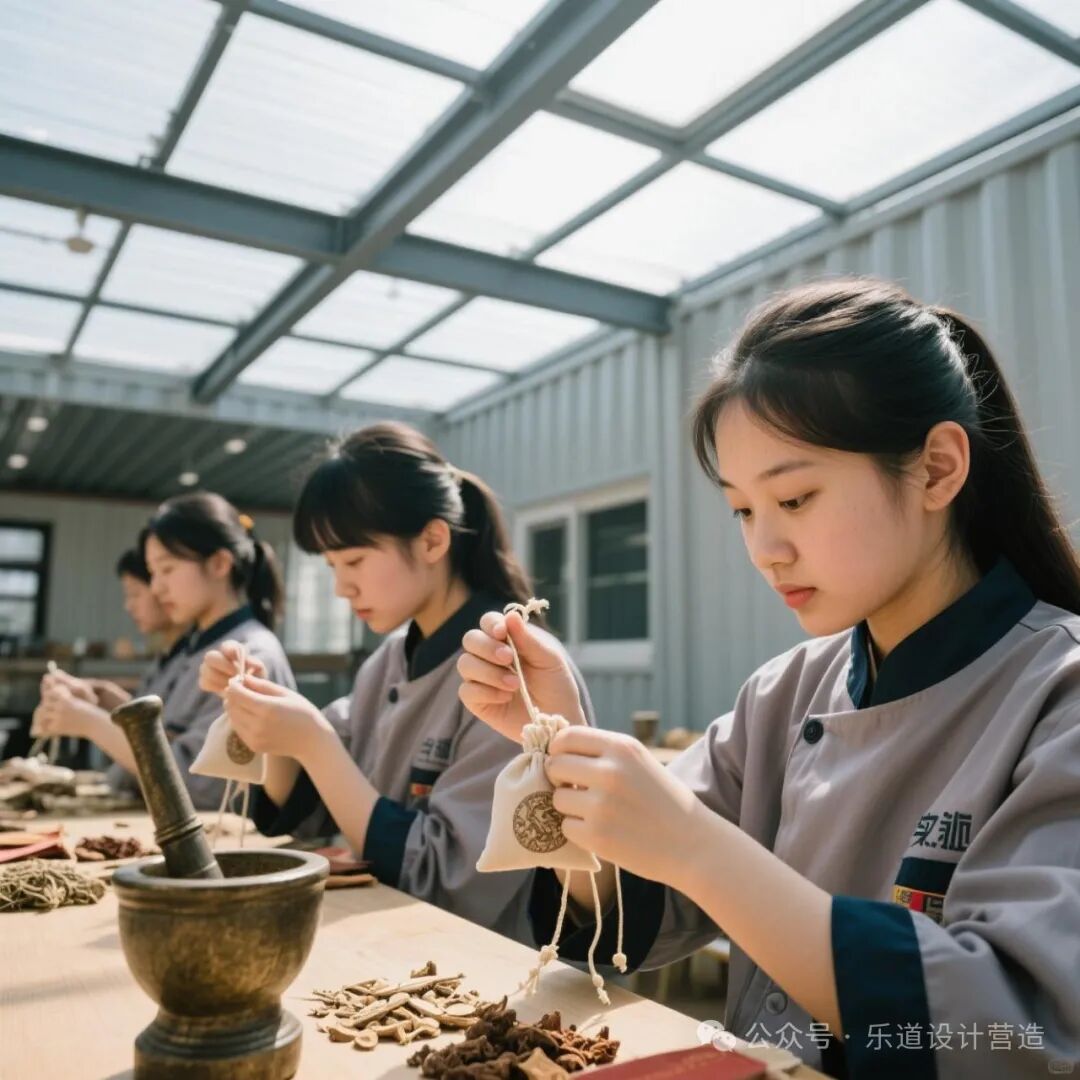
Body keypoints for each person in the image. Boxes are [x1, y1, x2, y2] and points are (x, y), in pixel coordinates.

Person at [457, 278, 1080, 1077]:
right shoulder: (781, 692)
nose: (765, 549)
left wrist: (698, 848)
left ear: (936, 469)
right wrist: (559, 747)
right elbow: (635, 917)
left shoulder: (1058, 691)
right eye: (745, 510)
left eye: (795, 496)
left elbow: (1014, 1029)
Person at [199, 422, 593, 940]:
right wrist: (260, 716)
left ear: (432, 540)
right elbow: (313, 809)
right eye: (332, 564)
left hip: (483, 974)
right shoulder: (387, 659)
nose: (342, 587)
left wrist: (313, 744)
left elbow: (444, 878)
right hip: (387, 949)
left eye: (355, 560)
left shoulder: (511, 666)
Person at [35, 493, 293, 809]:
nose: (156, 588)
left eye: (166, 570)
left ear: (219, 564)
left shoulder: (249, 655)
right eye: (153, 573)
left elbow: (202, 787)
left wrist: (90, 721)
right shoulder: (197, 647)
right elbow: (169, 738)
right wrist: (110, 704)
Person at [39, 541, 185, 719]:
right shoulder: (169, 655)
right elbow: (152, 725)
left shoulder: (194, 659)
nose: (128, 606)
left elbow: (168, 743)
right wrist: (104, 696)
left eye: (134, 594)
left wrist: (87, 719)